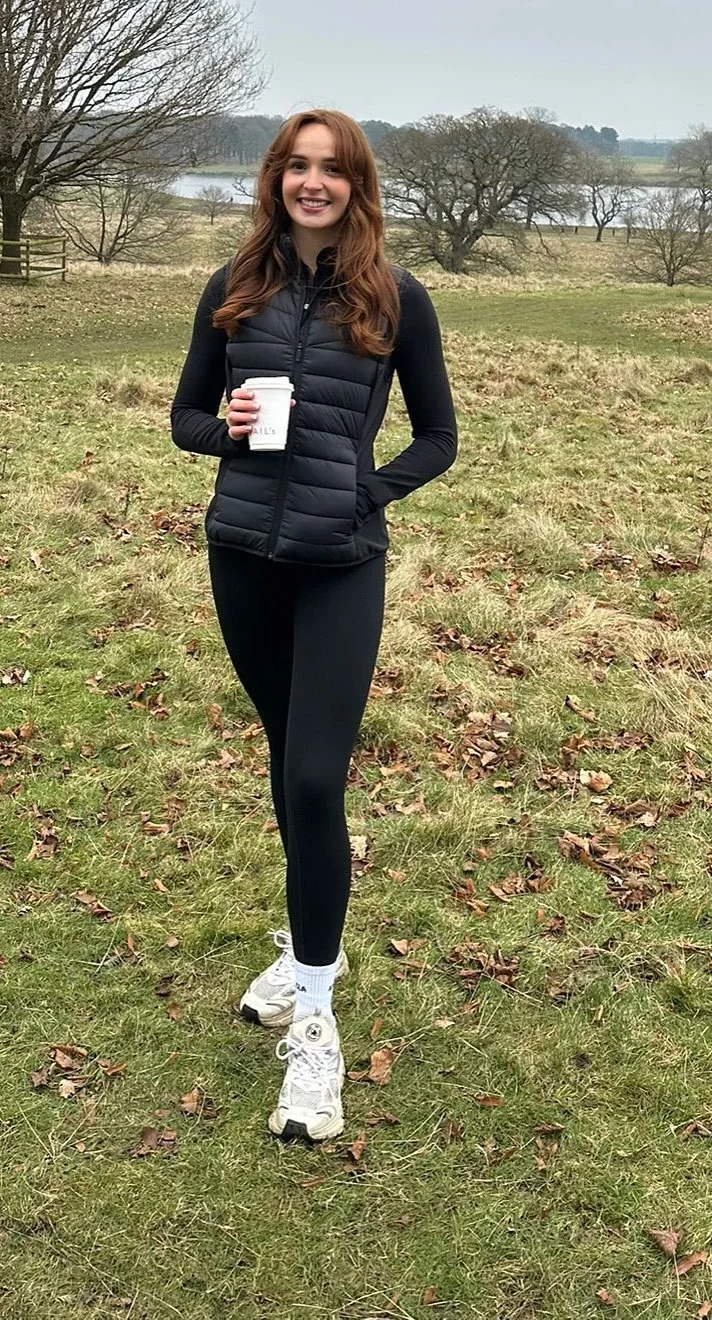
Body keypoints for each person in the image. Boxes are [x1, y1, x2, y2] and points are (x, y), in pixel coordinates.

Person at [170, 108, 457, 1143]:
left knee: (313, 778)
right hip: (243, 554)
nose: (314, 182)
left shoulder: (395, 295)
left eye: (333, 168)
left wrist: (366, 493)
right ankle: (299, 952)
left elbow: (439, 436)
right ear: (276, 179)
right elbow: (184, 418)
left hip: (340, 563)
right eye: (298, 165)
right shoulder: (234, 287)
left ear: (357, 184)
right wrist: (229, 430)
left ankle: (318, 1019)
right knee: (283, 754)